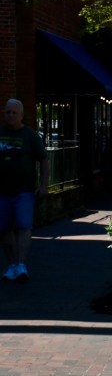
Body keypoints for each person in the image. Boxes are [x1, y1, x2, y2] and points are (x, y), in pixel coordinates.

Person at [0, 98, 48, 283]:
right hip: (3, 191)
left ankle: (20, 264)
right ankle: (12, 265)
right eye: (8, 112)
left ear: (21, 115)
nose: (10, 115)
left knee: (23, 226)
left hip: (24, 191)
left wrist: (43, 185)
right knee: (3, 229)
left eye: (14, 112)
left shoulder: (29, 136)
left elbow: (43, 160)